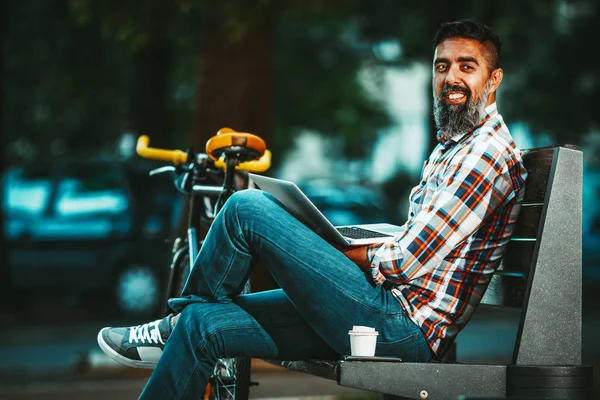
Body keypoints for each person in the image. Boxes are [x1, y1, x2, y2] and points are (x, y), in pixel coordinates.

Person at [97, 19, 527, 399]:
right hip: (383, 312)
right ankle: (180, 325)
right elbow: (418, 242)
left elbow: (403, 261)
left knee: (247, 207)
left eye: (466, 66)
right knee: (202, 325)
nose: (450, 77)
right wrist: (327, 244)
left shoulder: (485, 155)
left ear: (493, 81)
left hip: (402, 329)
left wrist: (324, 253)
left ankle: (170, 325)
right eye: (442, 66)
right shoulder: (453, 148)